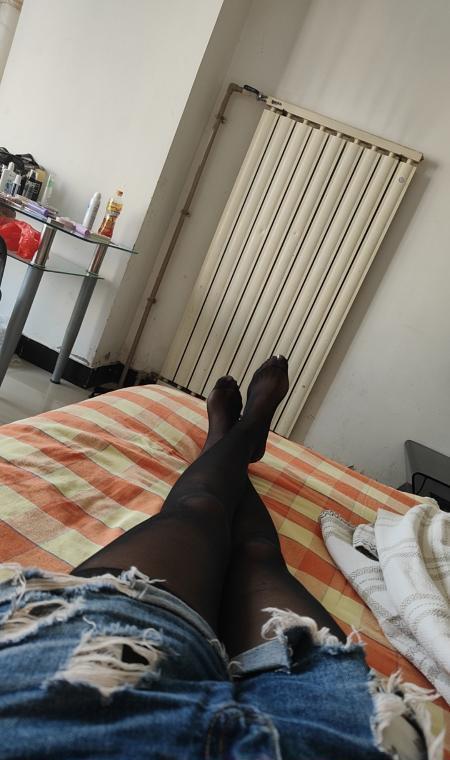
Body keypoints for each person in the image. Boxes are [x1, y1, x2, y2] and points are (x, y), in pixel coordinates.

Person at [0, 357, 435, 759]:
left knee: (201, 513)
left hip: (74, 686)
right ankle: (245, 433)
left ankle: (230, 439)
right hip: (328, 736)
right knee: (255, 556)